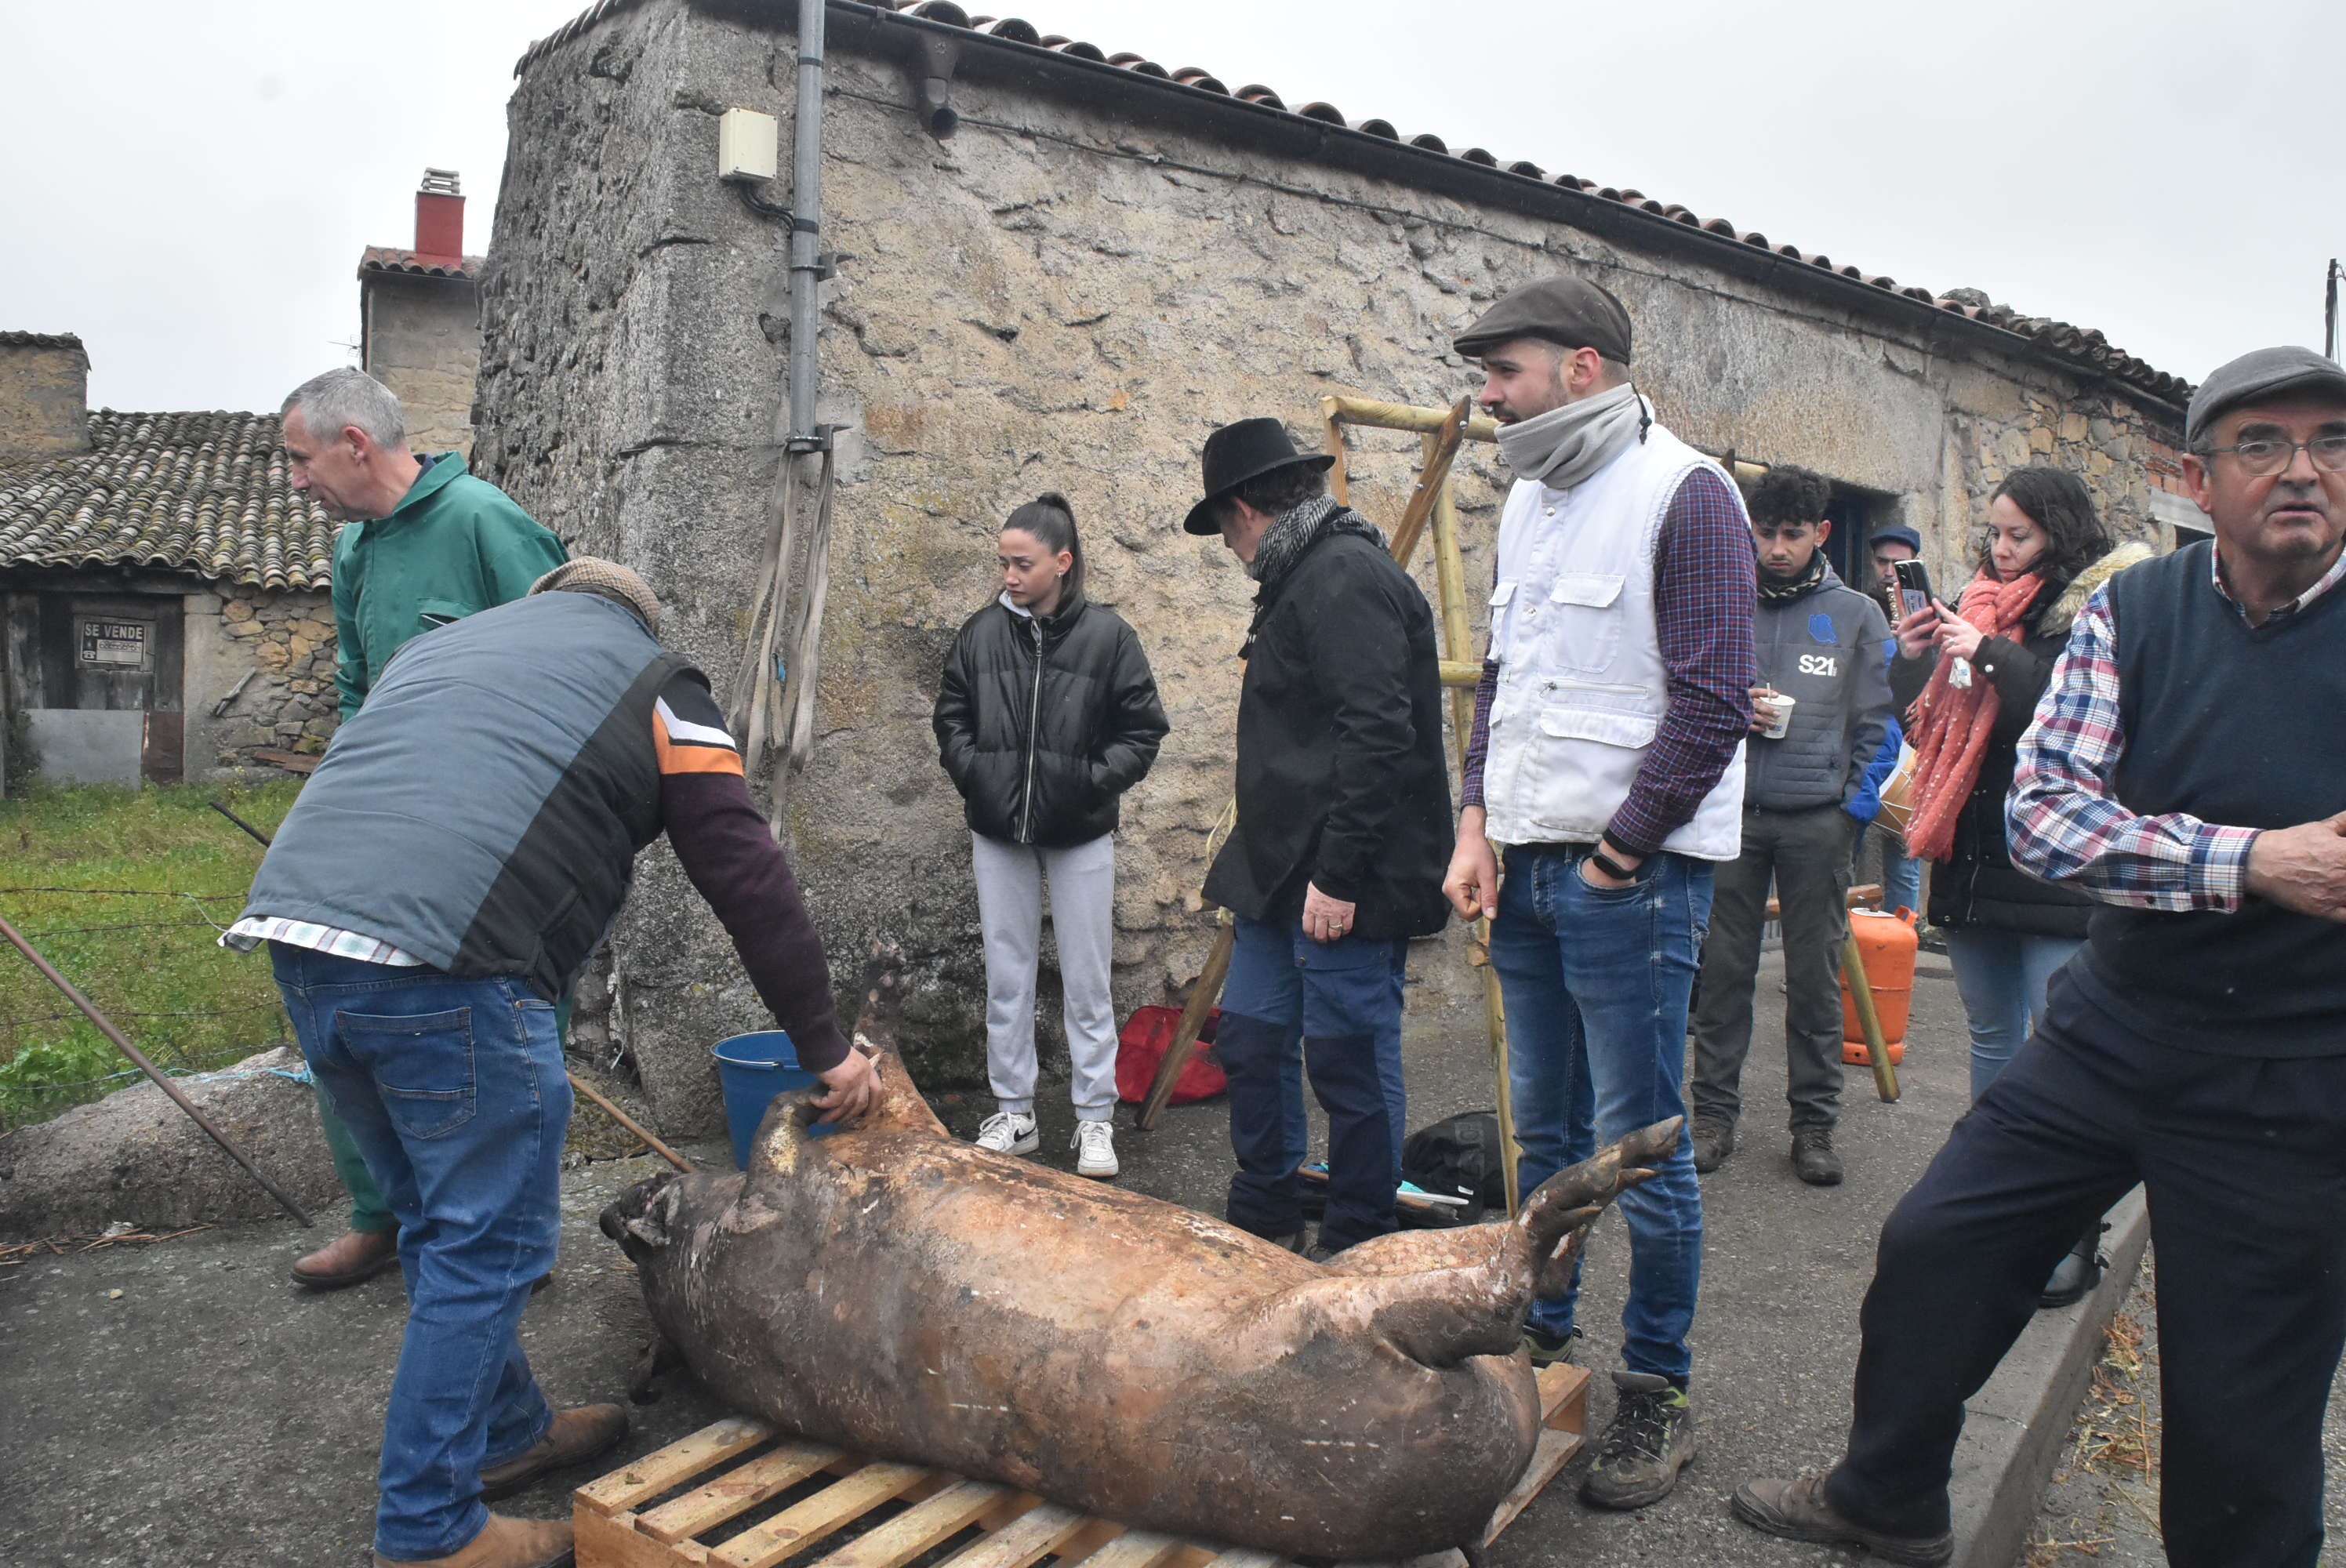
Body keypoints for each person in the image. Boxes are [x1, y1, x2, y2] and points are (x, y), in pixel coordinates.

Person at [1733, 346, 2346, 1568]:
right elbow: (2047, 817)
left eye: (2333, 444)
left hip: (2294, 1071)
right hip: (2113, 1026)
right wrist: (2252, 862)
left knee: (2241, 1414)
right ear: (2196, 477)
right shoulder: (2136, 611)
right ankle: (1888, 1497)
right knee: (1937, 1249)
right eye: (2263, 445)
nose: (2304, 471)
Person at [225, 560, 880, 1568]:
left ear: (546, 608)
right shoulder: (661, 685)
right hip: (451, 965)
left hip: (302, 945)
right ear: (635, 619)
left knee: (434, 1224)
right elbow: (746, 871)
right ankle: (429, 1529)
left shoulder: (441, 651)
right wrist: (823, 1046)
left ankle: (505, 1432)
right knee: (485, 1249)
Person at [1442, 277, 1756, 1508]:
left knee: (1645, 1149)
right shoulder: (1530, 499)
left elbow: (1717, 698)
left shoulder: (1688, 494)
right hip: (1522, 871)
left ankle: (1657, 1395)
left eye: (1503, 369)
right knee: (1545, 1135)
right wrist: (1474, 824)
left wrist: (1622, 855)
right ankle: (1540, 1335)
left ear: (1582, 368)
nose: (1485, 392)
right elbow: (1503, 684)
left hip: (1631, 879)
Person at [275, 368, 569, 1294]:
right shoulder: (355, 549)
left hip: (496, 828)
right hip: (387, 819)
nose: (295, 480)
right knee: (334, 987)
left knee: (504, 1025)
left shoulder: (487, 523)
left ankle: (513, 1241)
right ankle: (386, 1217)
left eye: (299, 458)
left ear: (355, 443)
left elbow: (571, 666)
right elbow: (359, 689)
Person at [1189, 417, 1452, 1259]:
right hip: (1277, 871)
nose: (1228, 549)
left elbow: (1380, 733)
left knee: (1348, 1059)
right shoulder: (1303, 572)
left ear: (1243, 509)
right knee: (1252, 1037)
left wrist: (1338, 875)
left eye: (1222, 530)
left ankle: (1357, 1242)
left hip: (1345, 874)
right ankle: (1264, 1218)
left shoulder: (1342, 575)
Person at [1892, 466, 2147, 1304]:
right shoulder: (1974, 604)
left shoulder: (2092, 611)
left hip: (2049, 874)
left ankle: (2072, 1229)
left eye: (2019, 536)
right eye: (1995, 534)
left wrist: (1988, 652)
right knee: (1991, 1042)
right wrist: (1917, 654)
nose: (2000, 551)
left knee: (2062, 1057)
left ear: (2059, 535)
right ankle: (1996, 1210)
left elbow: (2070, 712)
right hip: (1971, 860)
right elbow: (1922, 721)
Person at [933, 492, 1168, 1179]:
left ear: (1062, 563)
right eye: (1003, 562)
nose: (1008, 574)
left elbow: (1143, 730)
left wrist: (1090, 782)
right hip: (998, 831)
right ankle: (1016, 1112)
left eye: (1022, 563)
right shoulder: (979, 635)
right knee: (1007, 976)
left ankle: (1095, 1121)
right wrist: (978, 776)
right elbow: (951, 717)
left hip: (1082, 834)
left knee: (1089, 980)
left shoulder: (1110, 638)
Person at [1688, 465, 1891, 1185]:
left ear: (1821, 534)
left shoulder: (1859, 615)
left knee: (1812, 981)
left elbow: (1882, 724)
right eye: (1765, 533)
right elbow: (1687, 695)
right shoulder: (1724, 601)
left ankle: (1814, 1128)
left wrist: (1849, 814)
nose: (1776, 548)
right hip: (1731, 819)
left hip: (1816, 825)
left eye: (1792, 535)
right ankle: (1712, 1120)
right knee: (1722, 976)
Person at [1861, 522, 1927, 916]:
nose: (1889, 571)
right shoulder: (1860, 606)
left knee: (1904, 856)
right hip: (1868, 737)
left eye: (1898, 564)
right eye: (1882, 561)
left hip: (1910, 742)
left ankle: (1901, 947)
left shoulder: (1929, 609)